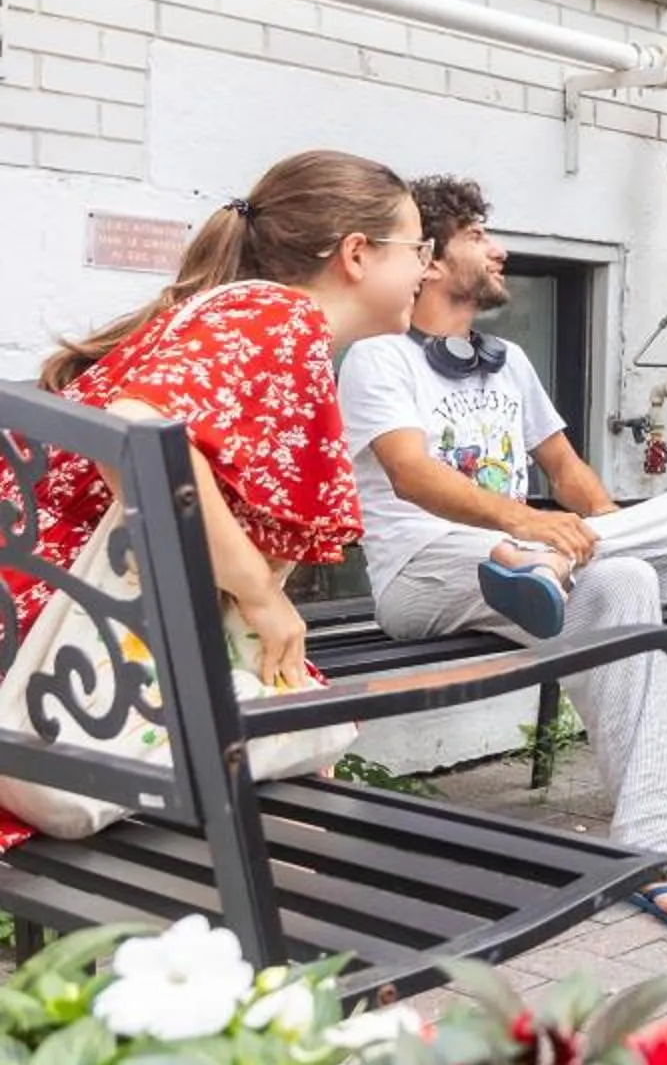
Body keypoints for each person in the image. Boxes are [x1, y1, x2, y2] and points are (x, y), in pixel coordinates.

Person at [336, 177, 667, 928]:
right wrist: (526, 529)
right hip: (424, 573)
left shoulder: (508, 362)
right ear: (427, 259)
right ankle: (544, 565)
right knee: (593, 568)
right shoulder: (379, 359)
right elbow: (411, 474)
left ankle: (654, 849)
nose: (501, 249)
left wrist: (600, 534)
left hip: (527, 570)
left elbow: (565, 468)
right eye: (480, 235)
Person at [0, 149, 429, 852]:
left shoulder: (233, 312)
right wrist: (259, 591)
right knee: (308, 745)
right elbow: (132, 429)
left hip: (52, 650)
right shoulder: (280, 315)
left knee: (301, 738)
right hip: (70, 665)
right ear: (357, 254)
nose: (426, 269)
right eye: (418, 248)